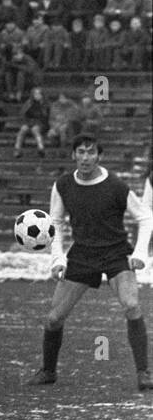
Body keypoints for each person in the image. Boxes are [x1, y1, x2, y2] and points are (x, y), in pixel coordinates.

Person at [32, 136, 151, 391]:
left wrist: (140, 253)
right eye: (81, 152)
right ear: (74, 155)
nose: (85, 157)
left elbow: (145, 217)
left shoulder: (116, 186)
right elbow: (55, 223)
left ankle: (144, 374)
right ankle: (48, 371)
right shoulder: (63, 185)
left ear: (99, 156)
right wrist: (57, 258)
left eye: (91, 152)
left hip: (116, 253)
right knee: (54, 319)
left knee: (131, 305)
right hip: (83, 255)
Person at [13, 87, 49, 158]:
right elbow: (22, 115)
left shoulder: (45, 103)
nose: (37, 95)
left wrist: (41, 104)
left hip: (40, 123)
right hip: (28, 122)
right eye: (35, 93)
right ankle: (17, 149)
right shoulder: (29, 103)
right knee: (23, 129)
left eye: (39, 94)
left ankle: (41, 148)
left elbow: (45, 116)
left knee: (35, 129)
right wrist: (27, 122)